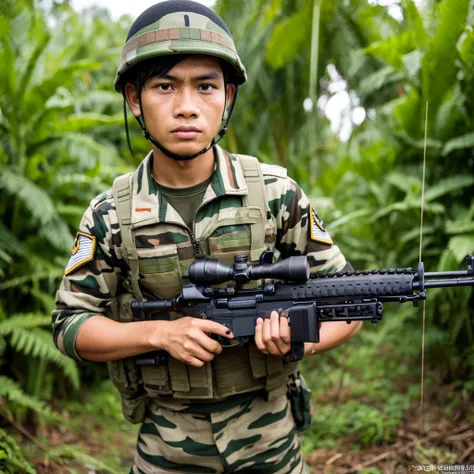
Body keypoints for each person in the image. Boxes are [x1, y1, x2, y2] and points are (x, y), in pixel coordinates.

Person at [52, 1, 362, 472]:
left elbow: (350, 302)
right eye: (164, 87)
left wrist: (297, 339)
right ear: (134, 99)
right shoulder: (109, 215)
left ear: (228, 97)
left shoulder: (276, 194)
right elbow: (70, 325)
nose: (187, 108)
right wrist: (159, 333)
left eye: (206, 87)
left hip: (270, 439)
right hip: (166, 444)